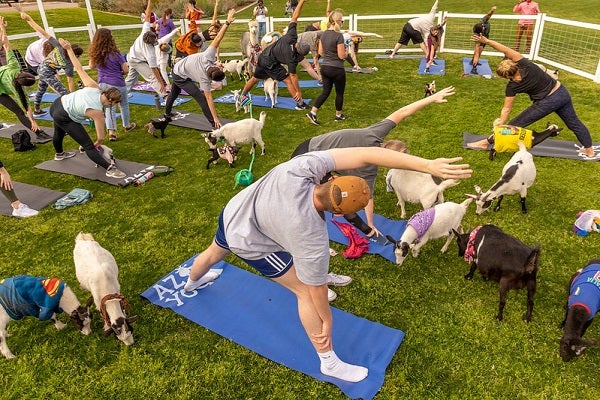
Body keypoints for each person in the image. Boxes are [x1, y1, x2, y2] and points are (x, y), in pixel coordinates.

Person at [182, 146, 471, 382]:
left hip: (235, 209)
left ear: (331, 179)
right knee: (303, 293)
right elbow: (314, 289)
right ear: (340, 213)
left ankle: (192, 281)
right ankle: (328, 361)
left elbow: (368, 153)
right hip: (247, 237)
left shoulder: (302, 167)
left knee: (213, 251)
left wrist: (428, 165)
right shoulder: (311, 238)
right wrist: (326, 318)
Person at [295, 86, 457, 242]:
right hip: (307, 162)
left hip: (308, 145)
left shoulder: (375, 133)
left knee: (337, 188)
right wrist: (371, 225)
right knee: (338, 200)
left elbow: (402, 112)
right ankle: (368, 231)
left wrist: (431, 98)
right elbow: (367, 200)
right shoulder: (368, 169)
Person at [467, 35, 597, 159]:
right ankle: (589, 150)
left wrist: (501, 124)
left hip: (547, 102)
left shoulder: (512, 86)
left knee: (512, 125)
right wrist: (488, 41)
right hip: (562, 93)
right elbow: (505, 49)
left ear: (507, 76)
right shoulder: (525, 64)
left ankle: (486, 142)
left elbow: (506, 109)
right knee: (574, 123)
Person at [50, 38, 127, 179]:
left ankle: (59, 154)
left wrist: (69, 49)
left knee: (59, 131)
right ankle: (109, 169)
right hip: (64, 114)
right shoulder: (97, 113)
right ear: (110, 100)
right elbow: (100, 137)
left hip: (57, 104)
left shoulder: (94, 87)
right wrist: (98, 143)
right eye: (115, 103)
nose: (114, 106)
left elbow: (79, 68)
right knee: (88, 146)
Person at [162, 9, 235, 129]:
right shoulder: (204, 78)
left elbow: (218, 39)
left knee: (175, 92)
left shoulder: (208, 56)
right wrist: (216, 119)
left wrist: (228, 22)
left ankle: (167, 113)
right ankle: (214, 125)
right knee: (200, 98)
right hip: (179, 74)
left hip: (179, 68)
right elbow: (208, 99)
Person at [237, 0, 312, 111]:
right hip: (270, 62)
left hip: (264, 56)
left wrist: (301, 2)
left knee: (255, 78)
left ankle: (242, 95)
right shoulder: (292, 57)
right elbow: (293, 77)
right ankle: (299, 103)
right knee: (287, 80)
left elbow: (295, 17)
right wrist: (299, 92)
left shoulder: (292, 36)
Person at [19, 9, 83, 118]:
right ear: (76, 56)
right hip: (46, 72)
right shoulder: (69, 64)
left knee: (41, 90)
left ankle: (37, 110)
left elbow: (42, 31)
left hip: (41, 69)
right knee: (64, 94)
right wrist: (72, 98)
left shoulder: (59, 46)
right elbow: (70, 81)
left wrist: (29, 19)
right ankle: (70, 114)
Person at [0, 16, 50, 140]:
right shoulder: (18, 89)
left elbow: (6, 44)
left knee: (19, 112)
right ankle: (39, 133)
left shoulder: (14, 66)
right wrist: (33, 121)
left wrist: (2, 28)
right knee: (19, 112)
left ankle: (39, 133)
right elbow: (27, 107)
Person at [88, 28, 136, 142]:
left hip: (102, 83)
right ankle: (127, 125)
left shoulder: (95, 53)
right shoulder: (116, 53)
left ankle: (111, 132)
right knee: (123, 104)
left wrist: (102, 69)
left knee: (110, 107)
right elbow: (126, 69)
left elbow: (91, 66)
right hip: (117, 82)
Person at [306, 10, 346, 126]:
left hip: (325, 67)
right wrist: (346, 52)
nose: (343, 23)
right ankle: (338, 115)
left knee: (325, 92)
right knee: (339, 93)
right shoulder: (339, 36)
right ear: (337, 21)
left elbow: (320, 52)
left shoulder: (323, 34)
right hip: (337, 68)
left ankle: (313, 112)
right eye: (342, 21)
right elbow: (341, 55)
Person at [124, 0, 166, 97]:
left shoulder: (145, 31)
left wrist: (150, 2)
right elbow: (154, 70)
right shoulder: (150, 52)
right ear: (151, 42)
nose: (157, 40)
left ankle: (121, 94)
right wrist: (161, 83)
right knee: (152, 77)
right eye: (155, 40)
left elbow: (147, 16)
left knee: (131, 79)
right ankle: (165, 96)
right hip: (137, 61)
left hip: (131, 57)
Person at [470, 6, 496, 75]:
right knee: (478, 52)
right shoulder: (477, 36)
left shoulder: (483, 20)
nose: (484, 27)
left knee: (479, 52)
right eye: (483, 27)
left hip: (485, 38)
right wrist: (476, 56)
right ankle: (474, 68)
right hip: (481, 39)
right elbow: (477, 51)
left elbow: (489, 15)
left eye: (483, 26)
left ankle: (473, 61)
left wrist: (492, 10)